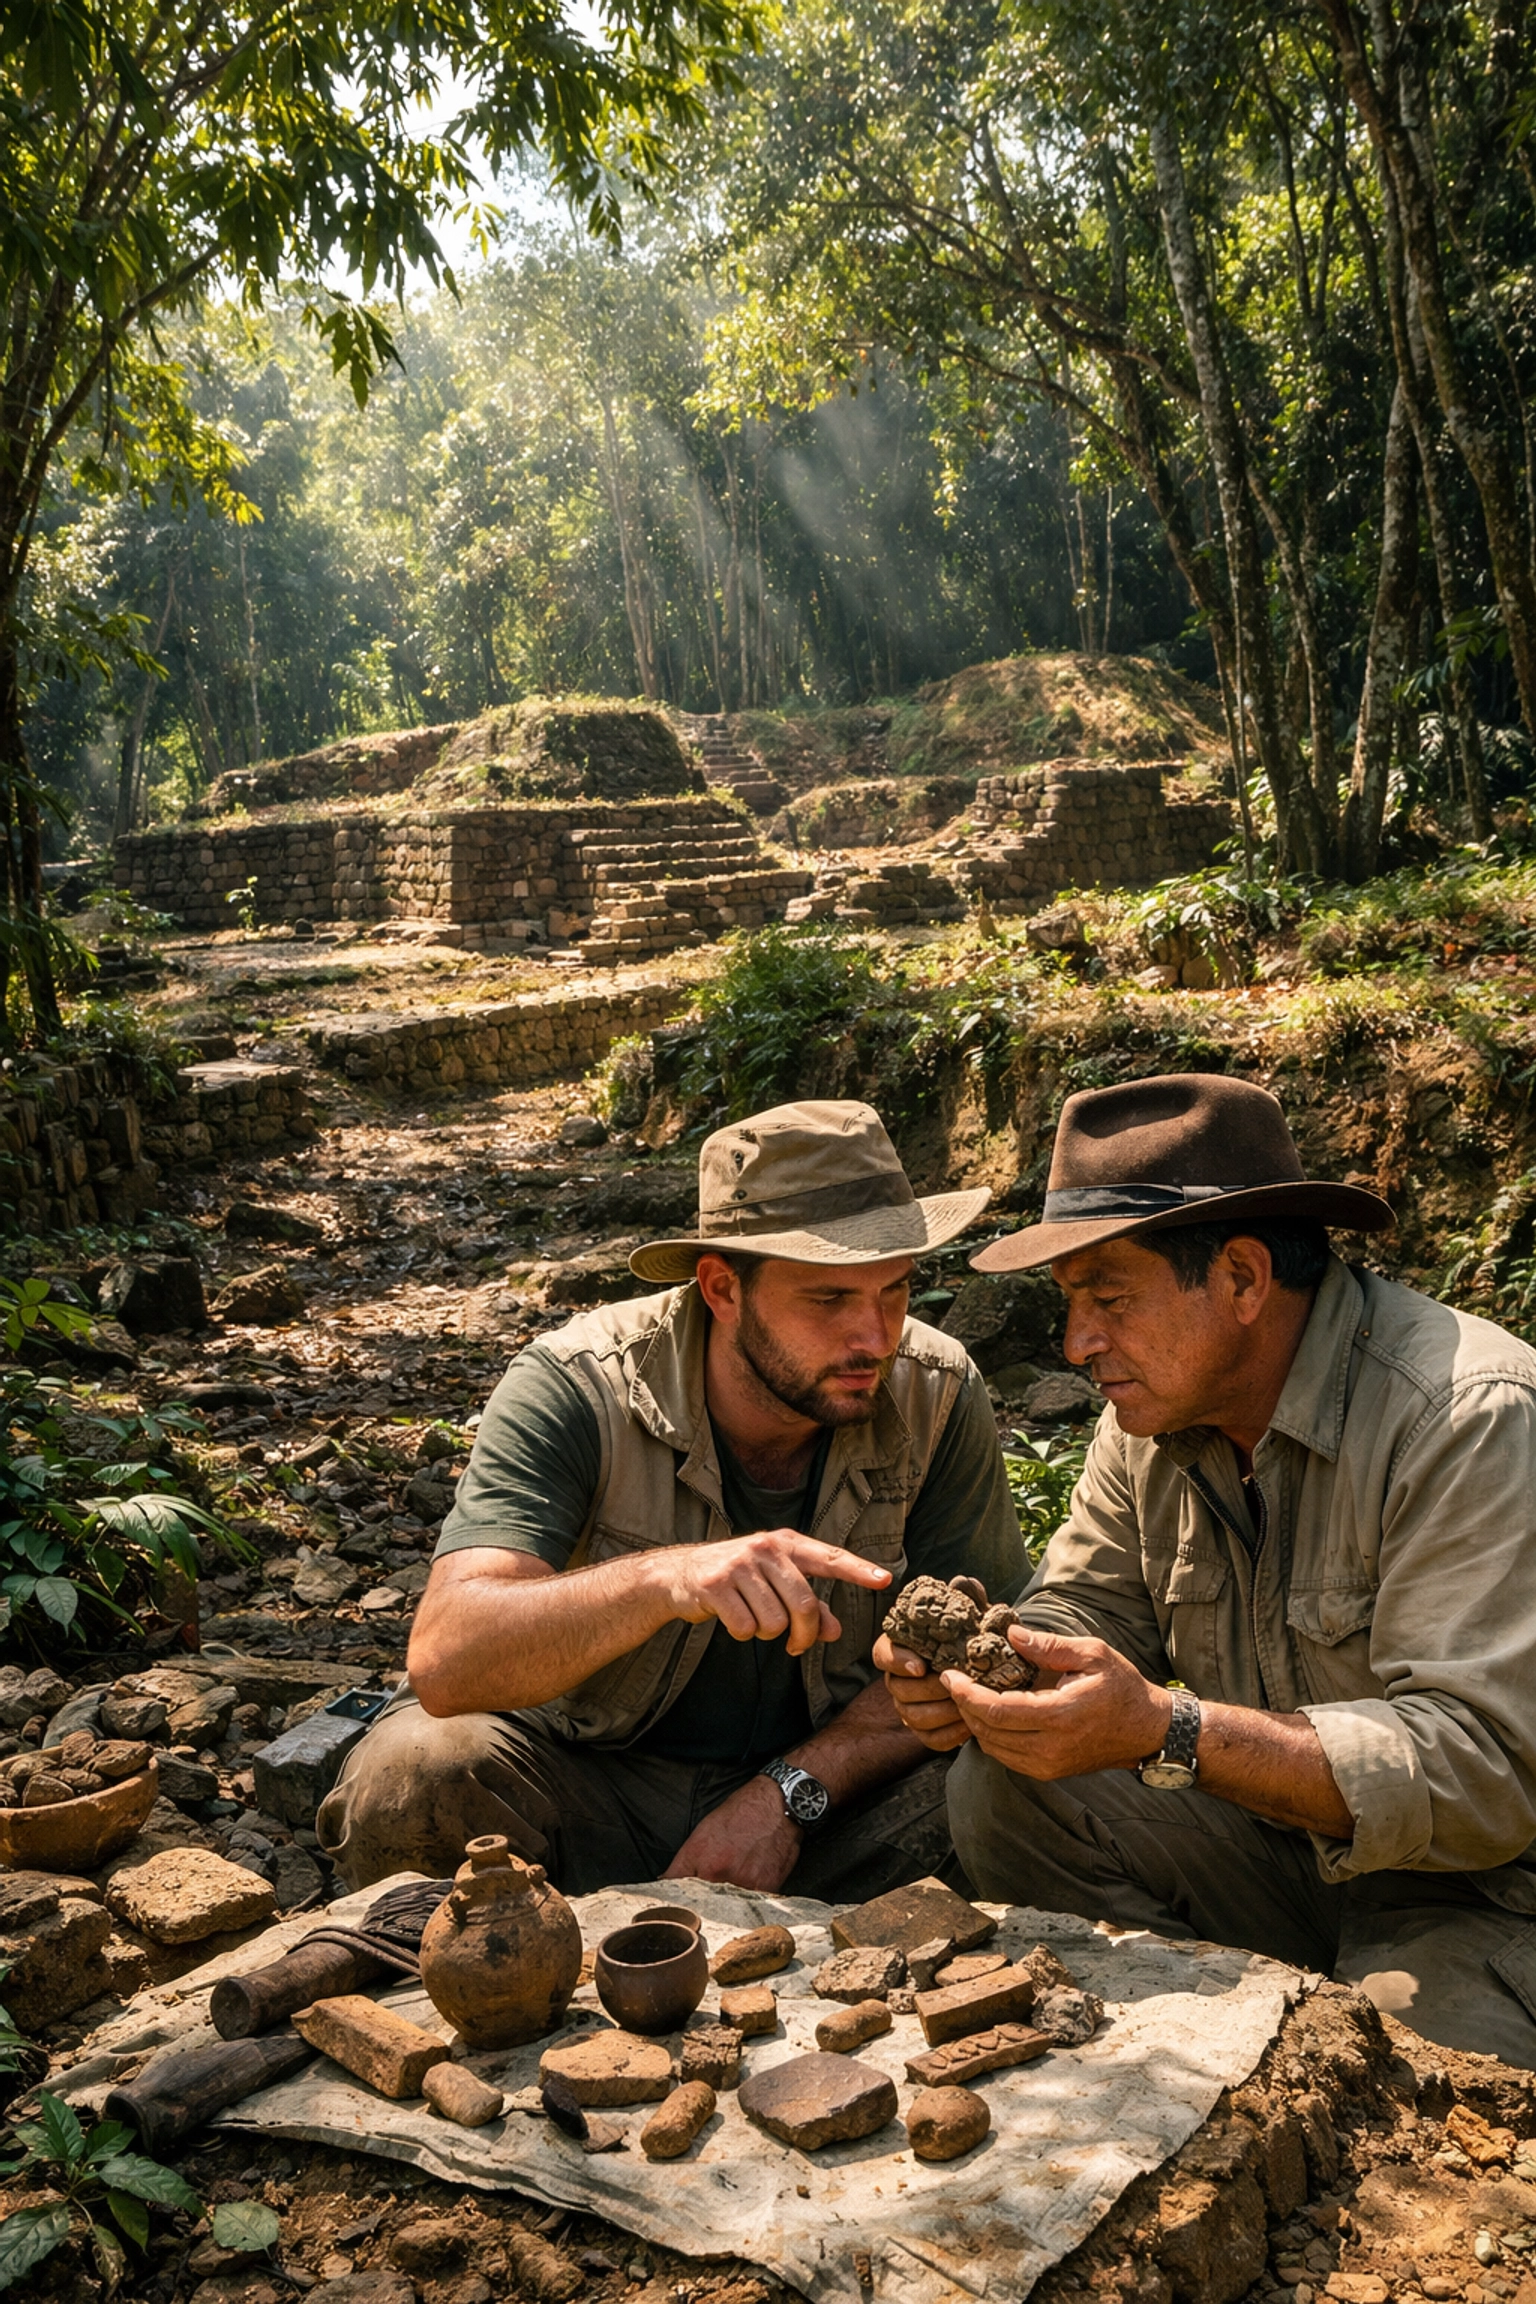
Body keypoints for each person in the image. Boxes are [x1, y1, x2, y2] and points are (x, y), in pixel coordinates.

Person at [876, 1071, 1536, 2065]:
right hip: (1290, 1854)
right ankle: (1199, 2059)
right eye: (1070, 1302)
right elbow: (1088, 1601)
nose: (1078, 1343)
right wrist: (1000, 1669)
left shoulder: (1466, 1416)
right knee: (1003, 1787)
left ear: (1239, 1278)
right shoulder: (1149, 1420)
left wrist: (1171, 1728)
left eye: (1108, 1297)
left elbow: (1483, 1772)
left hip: (1491, 1897)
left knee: (1404, 2092)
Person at [320, 1099, 1026, 1898]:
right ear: (722, 1288)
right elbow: (448, 1660)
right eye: (828, 1301)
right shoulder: (574, 1386)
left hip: (832, 1802)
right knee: (412, 1774)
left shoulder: (937, 1392)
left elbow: (973, 1666)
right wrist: (667, 1581)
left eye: (895, 1292)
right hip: (589, 1788)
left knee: (1027, 1787)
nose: (874, 1337)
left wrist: (787, 1798)